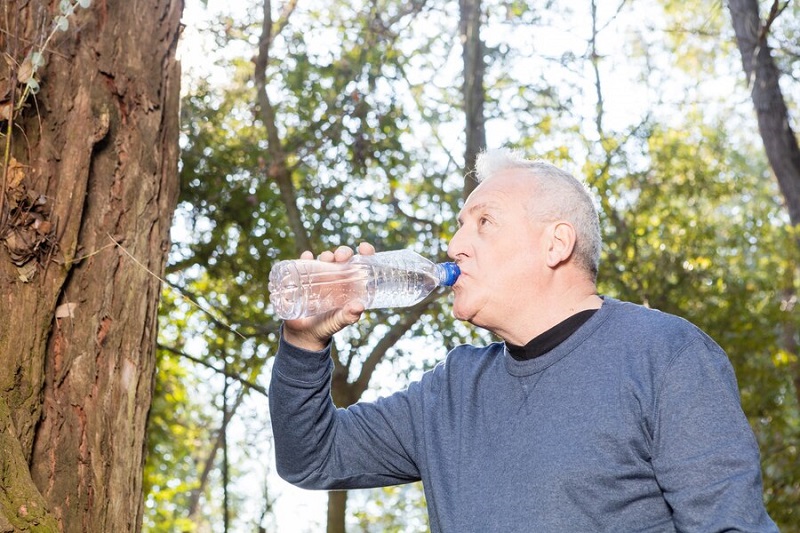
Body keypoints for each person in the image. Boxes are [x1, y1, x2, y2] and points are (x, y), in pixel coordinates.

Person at [269, 148, 778, 532]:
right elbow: (310, 457)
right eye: (459, 225)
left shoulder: (665, 354)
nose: (454, 245)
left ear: (556, 244)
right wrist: (304, 342)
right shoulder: (450, 391)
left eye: (484, 222)